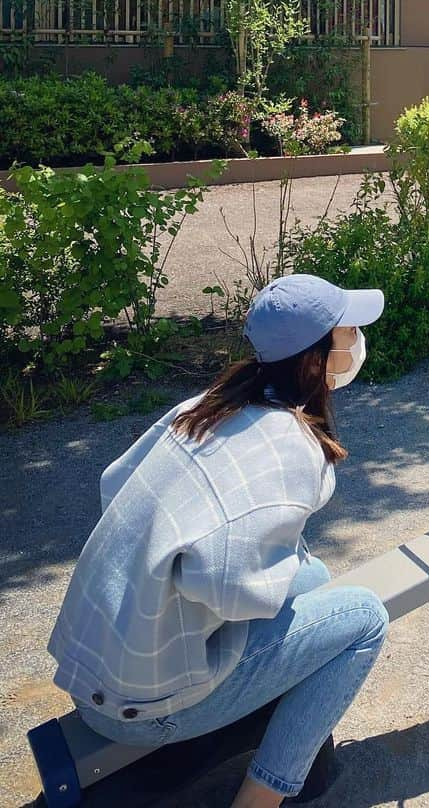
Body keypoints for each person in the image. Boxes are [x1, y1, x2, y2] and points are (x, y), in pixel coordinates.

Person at [47, 274, 390, 808]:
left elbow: (113, 485)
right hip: (148, 710)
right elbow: (228, 586)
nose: (355, 343)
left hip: (90, 672)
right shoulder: (292, 447)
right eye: (346, 332)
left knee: (314, 576)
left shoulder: (204, 406)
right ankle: (260, 799)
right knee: (366, 618)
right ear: (315, 360)